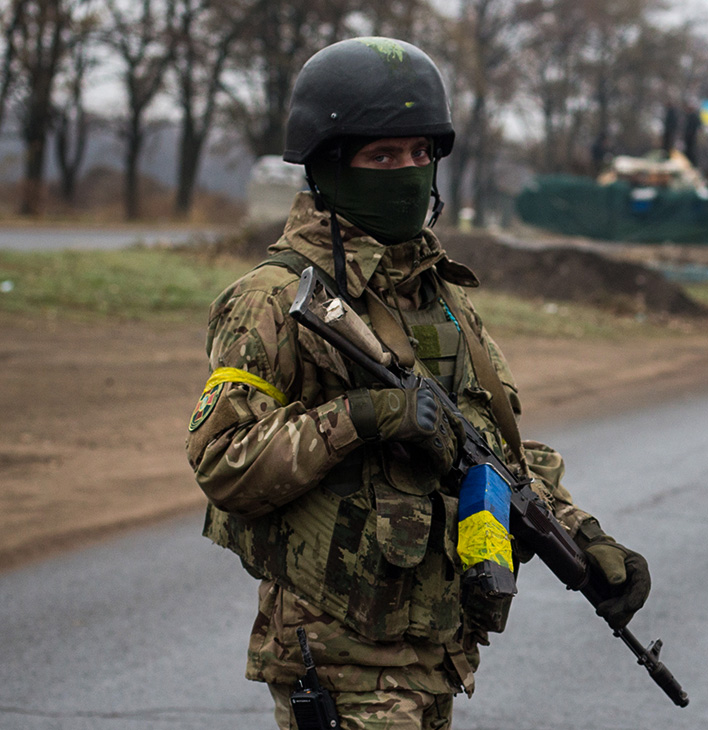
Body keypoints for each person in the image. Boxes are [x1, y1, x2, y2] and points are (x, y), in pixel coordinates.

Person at [185, 37, 651, 730]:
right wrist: (365, 417)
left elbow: (496, 454)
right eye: (381, 156)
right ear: (328, 165)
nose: (406, 172)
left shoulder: (442, 300)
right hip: (341, 652)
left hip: (437, 648)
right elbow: (223, 461)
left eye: (418, 154)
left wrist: (584, 541)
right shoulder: (273, 299)